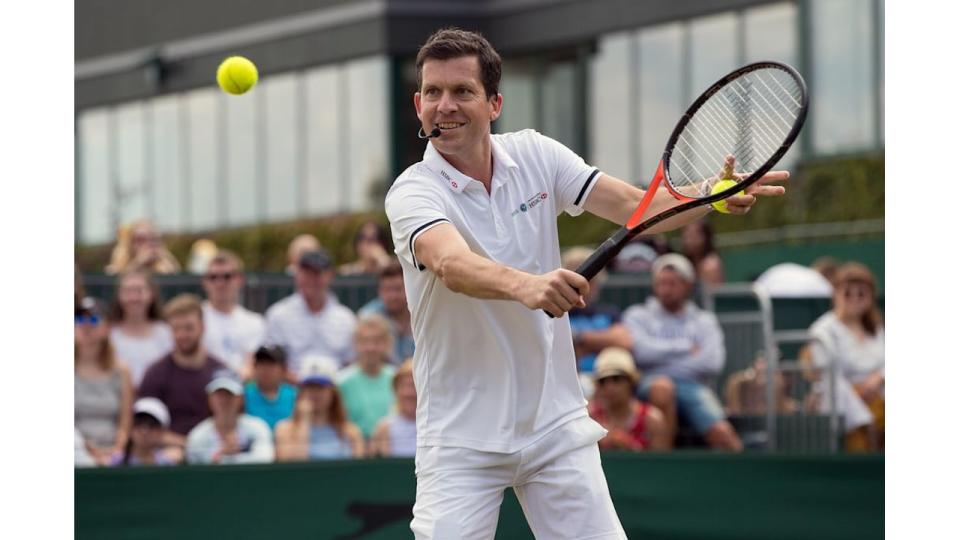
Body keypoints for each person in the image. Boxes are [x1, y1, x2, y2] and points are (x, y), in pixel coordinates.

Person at [384, 28, 785, 539]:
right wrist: (528, 286)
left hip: (555, 428)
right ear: (418, 104)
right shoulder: (412, 191)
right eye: (433, 93)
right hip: (460, 440)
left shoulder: (536, 154)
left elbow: (634, 208)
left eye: (462, 91)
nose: (446, 105)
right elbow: (449, 263)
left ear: (494, 103)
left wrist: (710, 193)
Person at [622, 254, 743, 451]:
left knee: (724, 435)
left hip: (693, 387)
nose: (666, 289)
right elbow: (640, 353)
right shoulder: (637, 315)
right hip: (649, 384)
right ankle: (664, 465)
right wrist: (686, 348)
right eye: (661, 283)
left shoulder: (704, 320)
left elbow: (712, 362)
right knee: (663, 387)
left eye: (672, 283)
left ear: (688, 285)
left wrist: (661, 361)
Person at [807, 262, 884, 452]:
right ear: (835, 294)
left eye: (861, 294)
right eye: (847, 293)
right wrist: (859, 395)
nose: (855, 299)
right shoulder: (822, 331)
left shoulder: (877, 328)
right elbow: (827, 374)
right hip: (842, 401)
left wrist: (878, 378)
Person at [138, 294, 228, 447]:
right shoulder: (155, 373)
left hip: (213, 454)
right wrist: (186, 445)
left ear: (202, 327)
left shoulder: (221, 373)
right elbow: (144, 428)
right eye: (176, 329)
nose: (182, 335)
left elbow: (231, 422)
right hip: (167, 457)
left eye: (188, 328)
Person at [264, 249, 357, 372]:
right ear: (297, 274)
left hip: (335, 388)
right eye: (307, 273)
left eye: (317, 273)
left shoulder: (346, 319)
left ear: (330, 275)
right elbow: (271, 362)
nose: (312, 280)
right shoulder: (278, 315)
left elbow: (351, 362)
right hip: (292, 389)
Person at [75, 297, 134, 466]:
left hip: (114, 454)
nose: (85, 326)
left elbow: (125, 423)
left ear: (107, 327)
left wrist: (117, 449)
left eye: (93, 319)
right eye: (79, 319)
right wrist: (89, 450)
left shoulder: (122, 371)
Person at [274, 357, 365, 461]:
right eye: (310, 387)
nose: (315, 393)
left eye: (321, 387)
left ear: (333, 392)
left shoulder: (351, 431)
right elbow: (292, 465)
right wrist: (304, 421)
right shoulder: (284, 429)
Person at [587, 348, 669, 451]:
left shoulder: (653, 421)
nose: (609, 387)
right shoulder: (590, 418)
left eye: (616, 379)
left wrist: (630, 446)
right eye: (603, 381)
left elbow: (661, 464)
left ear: (630, 382)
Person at [185, 371, 275, 465]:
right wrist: (221, 454)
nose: (224, 400)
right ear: (209, 398)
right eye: (219, 394)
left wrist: (227, 458)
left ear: (241, 398)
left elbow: (265, 458)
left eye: (229, 394)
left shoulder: (258, 427)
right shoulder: (198, 436)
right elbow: (194, 466)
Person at [201, 250, 265, 377]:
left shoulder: (255, 322)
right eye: (213, 277)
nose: (220, 283)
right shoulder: (196, 319)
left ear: (240, 280)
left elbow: (254, 365)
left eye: (227, 276)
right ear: (205, 282)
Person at [108, 270, 174, 388]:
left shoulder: (166, 333)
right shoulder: (109, 334)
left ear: (151, 294)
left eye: (139, 291)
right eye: (127, 291)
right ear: (119, 296)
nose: (134, 298)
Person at [337, 315, 397, 439]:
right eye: (364, 341)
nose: (371, 348)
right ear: (355, 344)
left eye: (377, 341)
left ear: (387, 343)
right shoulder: (341, 382)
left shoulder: (397, 378)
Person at [358, 260, 415, 364]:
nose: (393, 296)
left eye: (398, 289)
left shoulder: (419, 313)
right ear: (379, 291)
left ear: (408, 287)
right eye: (387, 290)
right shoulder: (368, 316)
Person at [110, 397, 178, 467]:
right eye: (138, 422)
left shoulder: (166, 465)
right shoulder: (117, 462)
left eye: (152, 425)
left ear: (162, 431)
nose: (144, 430)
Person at [370, 359, 418, 457]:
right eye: (404, 386)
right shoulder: (383, 428)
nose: (408, 393)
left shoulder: (436, 425)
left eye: (413, 386)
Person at [244, 345, 298, 431]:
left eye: (271, 364)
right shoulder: (243, 396)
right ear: (254, 367)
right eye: (261, 363)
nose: (266, 369)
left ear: (283, 368)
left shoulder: (295, 397)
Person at [105, 219, 182, 275]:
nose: (148, 244)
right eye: (140, 240)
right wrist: (138, 263)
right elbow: (116, 279)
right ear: (130, 243)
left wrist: (165, 260)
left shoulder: (164, 265)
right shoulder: (118, 266)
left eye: (153, 239)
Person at [680, 221, 724, 286]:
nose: (688, 241)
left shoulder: (711, 265)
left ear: (705, 237)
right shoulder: (687, 262)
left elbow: (711, 293)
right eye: (686, 236)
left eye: (693, 236)